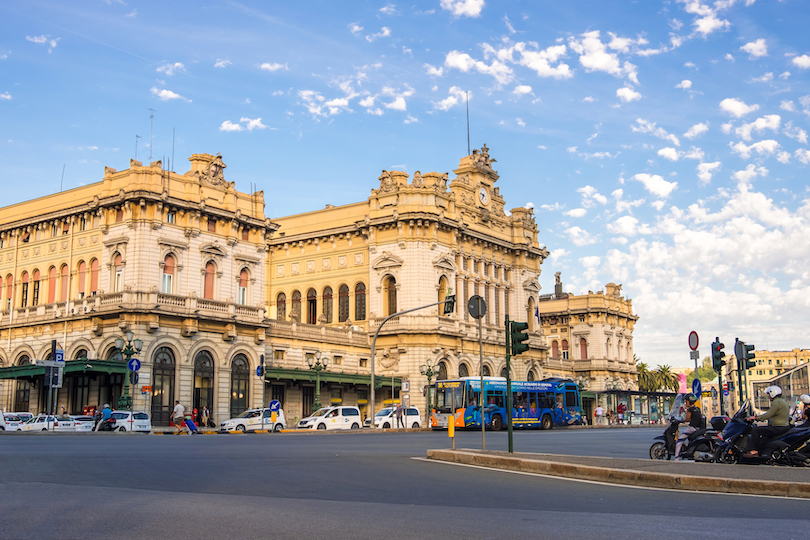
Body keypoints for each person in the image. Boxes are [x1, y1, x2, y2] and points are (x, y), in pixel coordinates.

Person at [745, 385, 790, 458]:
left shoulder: (777, 402)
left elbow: (768, 414)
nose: (768, 396)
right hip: (782, 427)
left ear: (773, 394)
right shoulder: (781, 401)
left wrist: (755, 417)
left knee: (756, 430)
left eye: (769, 394)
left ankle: (753, 451)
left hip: (778, 427)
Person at [674, 394, 702, 460]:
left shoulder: (691, 409)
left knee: (679, 442)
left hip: (692, 428)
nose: (685, 403)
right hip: (698, 428)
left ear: (689, 401)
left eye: (686, 401)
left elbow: (687, 419)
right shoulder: (697, 408)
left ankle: (676, 459)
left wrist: (680, 420)